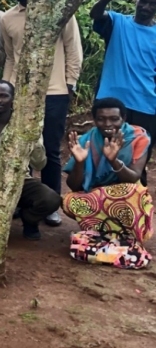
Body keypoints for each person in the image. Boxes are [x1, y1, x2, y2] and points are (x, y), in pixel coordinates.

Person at [1, 0, 83, 224]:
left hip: (55, 92)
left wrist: (69, 85)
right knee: (19, 149)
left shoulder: (58, 12)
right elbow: (11, 58)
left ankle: (51, 205)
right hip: (20, 94)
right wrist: (8, 87)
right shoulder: (7, 19)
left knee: (50, 150)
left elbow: (73, 50)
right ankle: (18, 201)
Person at [63, 97, 152, 269]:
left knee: (129, 192)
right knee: (69, 201)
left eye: (114, 119)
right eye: (101, 119)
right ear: (95, 120)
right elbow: (74, 186)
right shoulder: (86, 140)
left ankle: (128, 238)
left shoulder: (138, 137)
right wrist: (80, 162)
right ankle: (101, 236)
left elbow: (134, 178)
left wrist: (113, 161)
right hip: (98, 195)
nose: (107, 124)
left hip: (127, 194)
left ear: (123, 119)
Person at [0, 80, 60, 241]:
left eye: (3, 96)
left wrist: (33, 139)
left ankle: (28, 220)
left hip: (19, 181)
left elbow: (39, 164)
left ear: (13, 99)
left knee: (50, 199)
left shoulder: (26, 125)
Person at [89, 0, 156, 186]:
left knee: (138, 157)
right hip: (111, 103)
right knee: (104, 153)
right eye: (143, 1)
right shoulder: (117, 22)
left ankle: (135, 207)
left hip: (146, 104)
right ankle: (100, 205)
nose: (146, 7)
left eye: (153, 4)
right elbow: (96, 15)